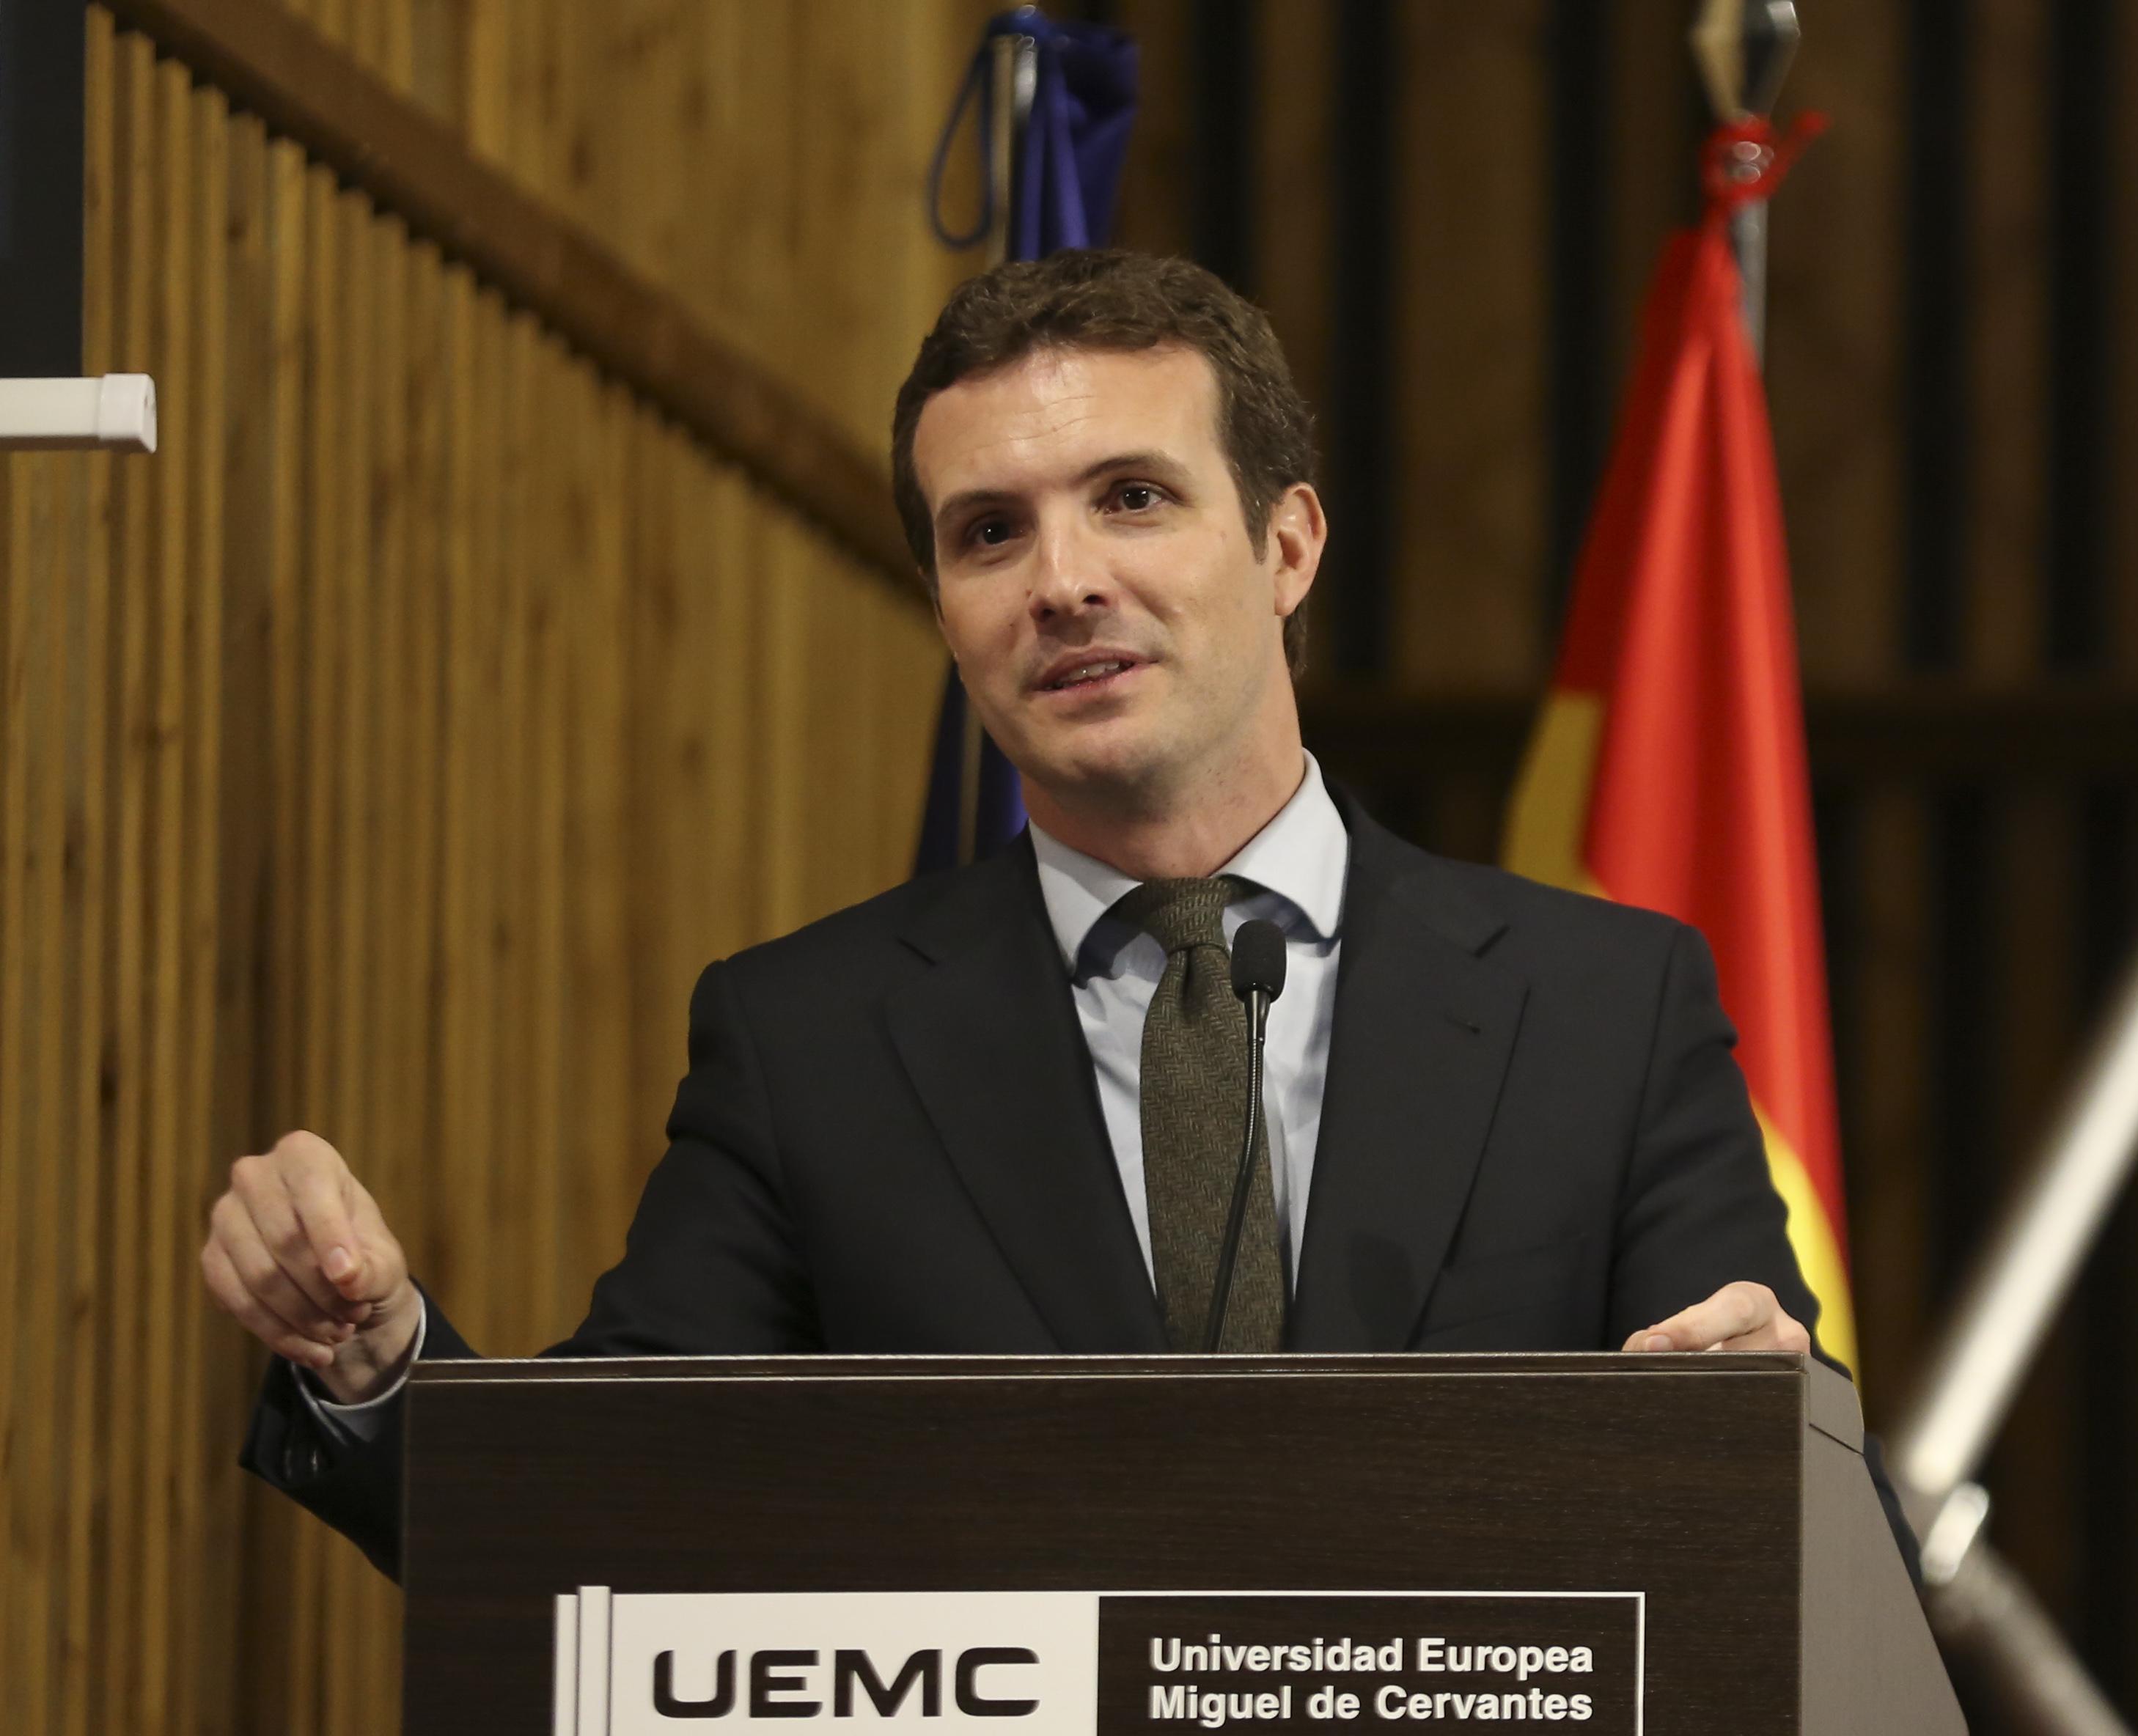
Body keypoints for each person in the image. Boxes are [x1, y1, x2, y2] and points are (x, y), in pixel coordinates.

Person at [205, 249, 1846, 1582]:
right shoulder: (814, 1042)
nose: (1059, 578)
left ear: (1287, 542)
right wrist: (376, 1358)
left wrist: (1772, 1443)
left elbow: (1795, 1517)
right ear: (945, 607)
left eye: (1130, 496)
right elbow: (591, 1514)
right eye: (989, 531)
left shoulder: (1605, 1004)